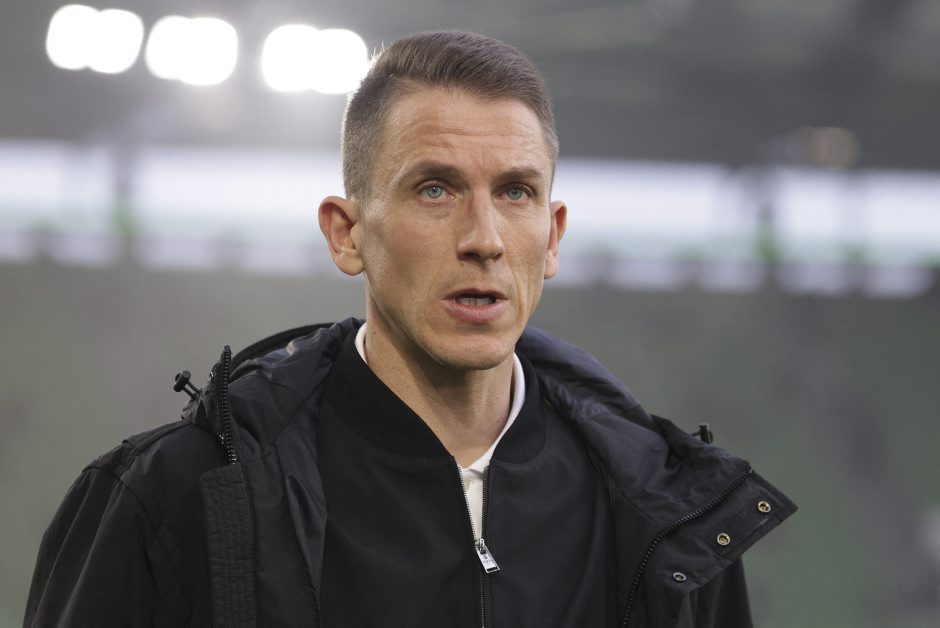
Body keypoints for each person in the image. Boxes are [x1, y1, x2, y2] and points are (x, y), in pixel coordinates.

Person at [23, 31, 795, 627]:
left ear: (553, 235)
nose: (484, 238)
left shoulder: (671, 516)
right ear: (346, 233)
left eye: (516, 193)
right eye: (435, 189)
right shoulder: (173, 500)